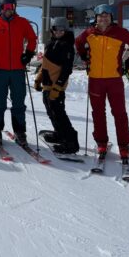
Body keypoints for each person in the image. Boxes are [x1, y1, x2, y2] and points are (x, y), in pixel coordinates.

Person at [75, 4, 129, 162]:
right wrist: (85, 57)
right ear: (96, 18)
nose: (103, 19)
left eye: (107, 16)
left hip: (114, 80)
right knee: (98, 113)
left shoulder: (120, 32)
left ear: (111, 18)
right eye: (100, 16)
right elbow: (78, 42)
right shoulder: (90, 32)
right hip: (95, 80)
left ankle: (124, 145)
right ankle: (101, 142)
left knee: (119, 113)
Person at [0, 0, 37, 146]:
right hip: (0, 70)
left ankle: (20, 131)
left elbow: (32, 39)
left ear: (15, 8)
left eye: (11, 7)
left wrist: (28, 54)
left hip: (18, 69)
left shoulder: (22, 22)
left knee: (19, 101)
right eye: (6, 7)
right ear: (1, 8)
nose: (9, 9)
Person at [34, 17, 79, 154]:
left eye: (61, 29)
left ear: (66, 30)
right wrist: (38, 79)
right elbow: (45, 64)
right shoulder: (51, 43)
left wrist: (58, 87)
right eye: (55, 29)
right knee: (51, 112)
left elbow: (66, 70)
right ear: (52, 30)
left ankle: (71, 142)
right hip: (47, 85)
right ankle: (59, 134)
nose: (58, 32)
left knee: (59, 114)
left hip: (56, 87)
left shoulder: (67, 46)